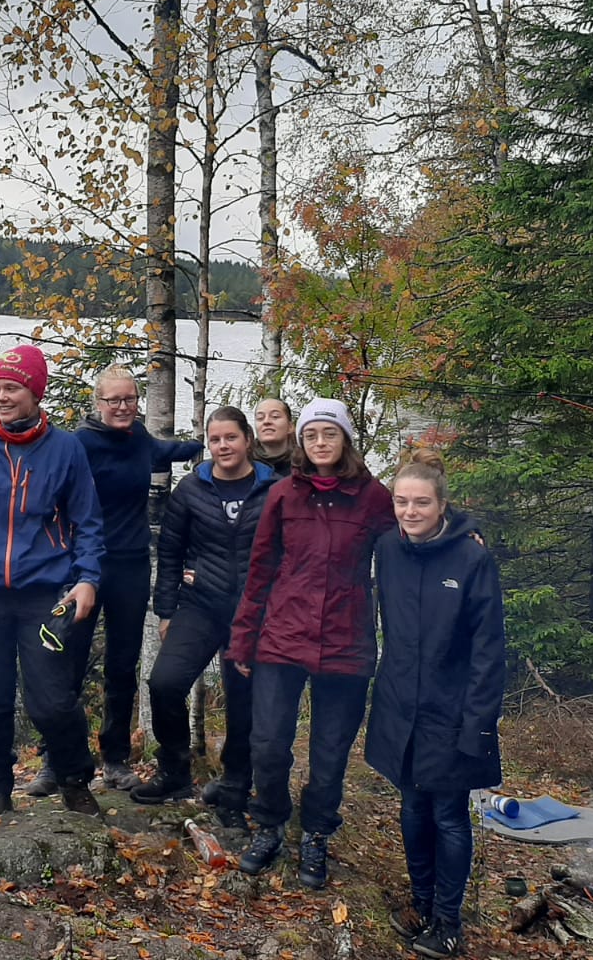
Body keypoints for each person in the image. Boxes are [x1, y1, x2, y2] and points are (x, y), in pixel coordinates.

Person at [225, 398, 396, 890]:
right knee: (269, 744)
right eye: (312, 435)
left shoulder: (373, 497)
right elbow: (259, 571)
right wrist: (243, 639)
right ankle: (271, 823)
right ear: (301, 442)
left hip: (345, 640)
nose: (320, 443)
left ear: (345, 440)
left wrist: (461, 534)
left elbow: (405, 550)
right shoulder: (284, 495)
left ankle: (317, 831)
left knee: (329, 752)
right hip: (282, 636)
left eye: (330, 434)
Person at [0, 344, 106, 819]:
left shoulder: (66, 448)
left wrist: (88, 578)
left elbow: (88, 523)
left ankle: (74, 778)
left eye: (11, 388)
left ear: (35, 391)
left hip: (43, 594)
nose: (0, 398)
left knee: (50, 700)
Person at [37, 364, 200, 795]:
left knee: (122, 666)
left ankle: (115, 758)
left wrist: (212, 444)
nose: (124, 406)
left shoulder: (139, 439)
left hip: (129, 564)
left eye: (130, 399)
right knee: (66, 663)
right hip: (82, 570)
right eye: (115, 400)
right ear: (99, 404)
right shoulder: (79, 444)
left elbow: (167, 450)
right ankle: (57, 760)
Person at [367, 450, 504, 960]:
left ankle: (449, 922)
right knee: (410, 806)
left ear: (442, 504)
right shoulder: (386, 548)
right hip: (399, 700)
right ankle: (421, 904)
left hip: (452, 708)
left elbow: (489, 650)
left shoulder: (472, 558)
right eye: (401, 502)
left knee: (448, 813)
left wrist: (479, 723)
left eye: (421, 502)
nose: (409, 511)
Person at [131, 406, 275, 829]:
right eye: (215, 440)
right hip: (201, 605)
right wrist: (166, 610)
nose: (223, 446)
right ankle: (174, 771)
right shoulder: (191, 490)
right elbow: (171, 552)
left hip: (253, 612)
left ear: (247, 440)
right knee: (164, 683)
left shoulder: (274, 488)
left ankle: (234, 783)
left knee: (242, 699)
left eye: (230, 437)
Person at [252, 397, 295, 476]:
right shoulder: (244, 465)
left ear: (290, 427)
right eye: (260, 418)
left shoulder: (304, 464)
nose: (266, 421)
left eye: (275, 416)